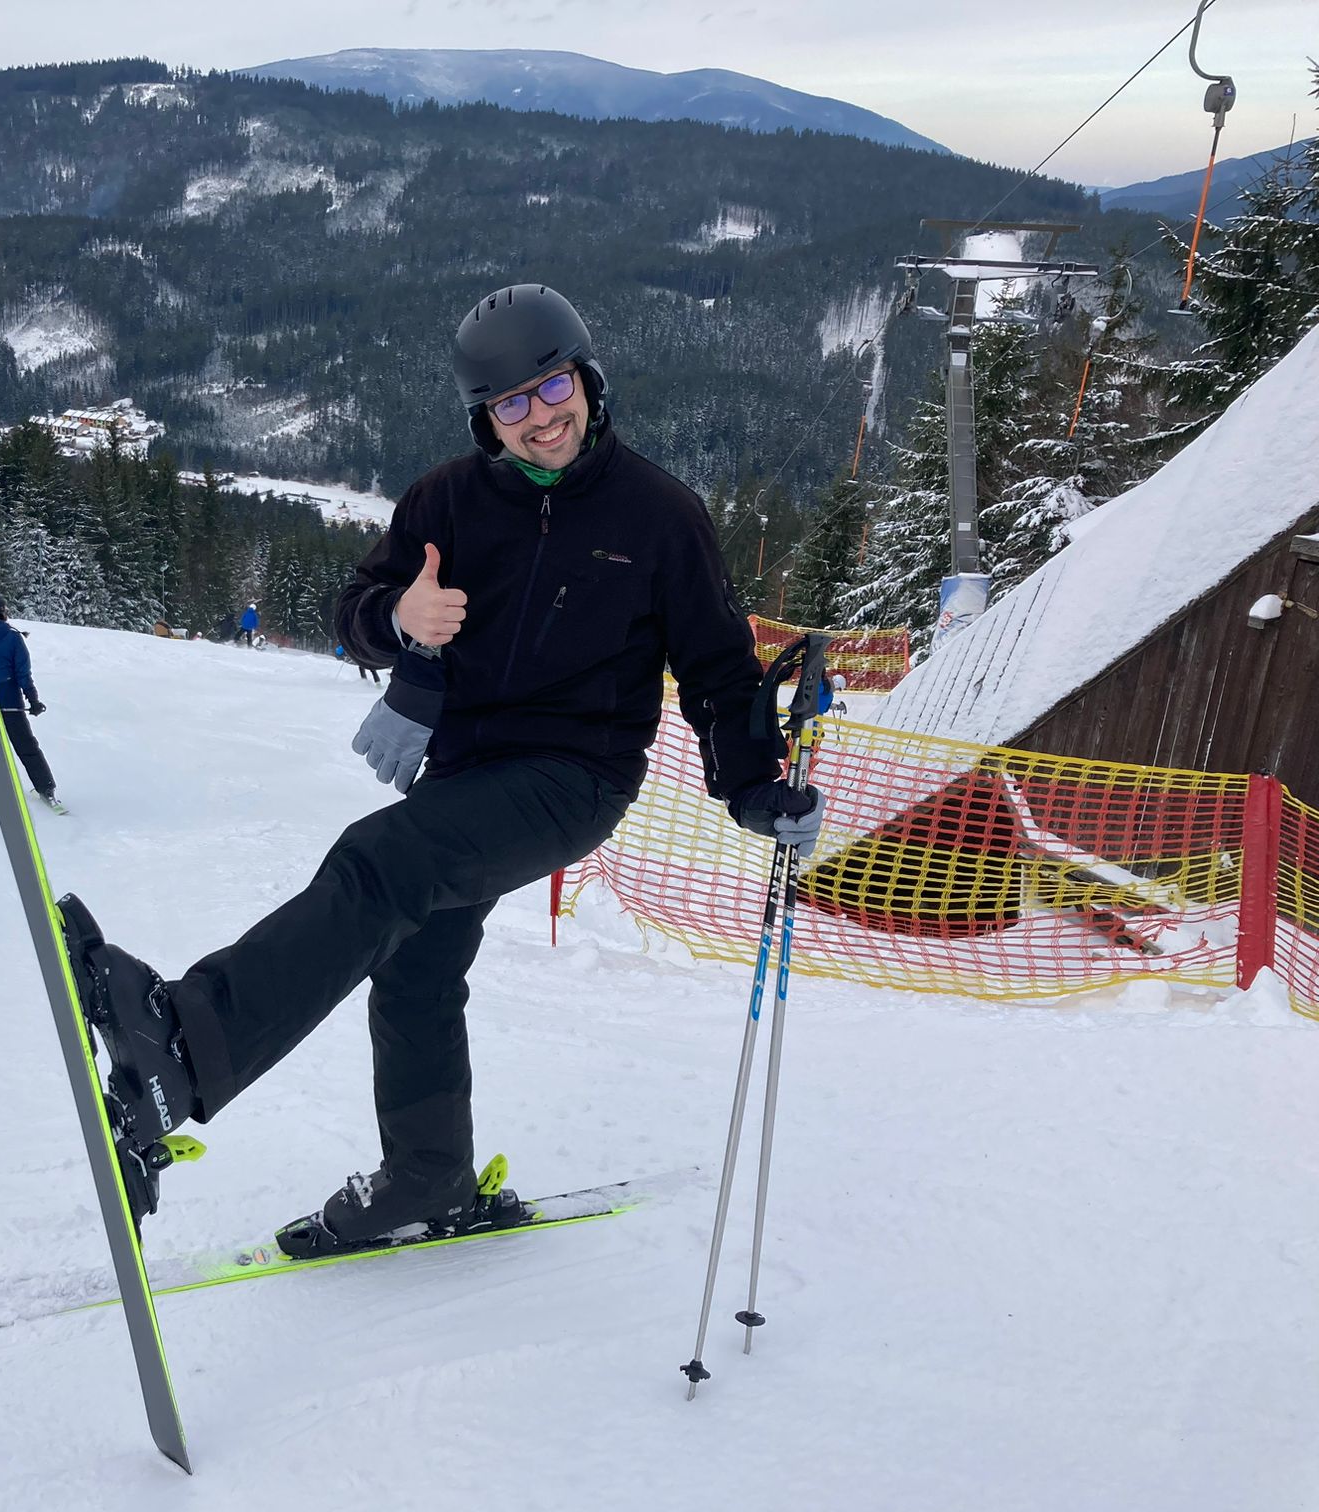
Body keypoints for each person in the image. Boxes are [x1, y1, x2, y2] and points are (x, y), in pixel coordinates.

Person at [60, 284, 822, 1255]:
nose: (540, 418)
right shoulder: (444, 503)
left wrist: (752, 785)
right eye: (511, 404)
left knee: (380, 863)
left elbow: (717, 669)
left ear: (589, 381)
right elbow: (356, 610)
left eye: (554, 387)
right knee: (415, 964)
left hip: (576, 776)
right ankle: (428, 1178)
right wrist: (397, 620)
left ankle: (185, 1047)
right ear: (483, 419)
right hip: (464, 770)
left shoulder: (660, 516)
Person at [0, 591, 63, 813]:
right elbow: (23, 673)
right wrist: (33, 699)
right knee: (27, 747)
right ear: (4, 611)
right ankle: (46, 790)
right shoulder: (13, 637)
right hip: (11, 704)